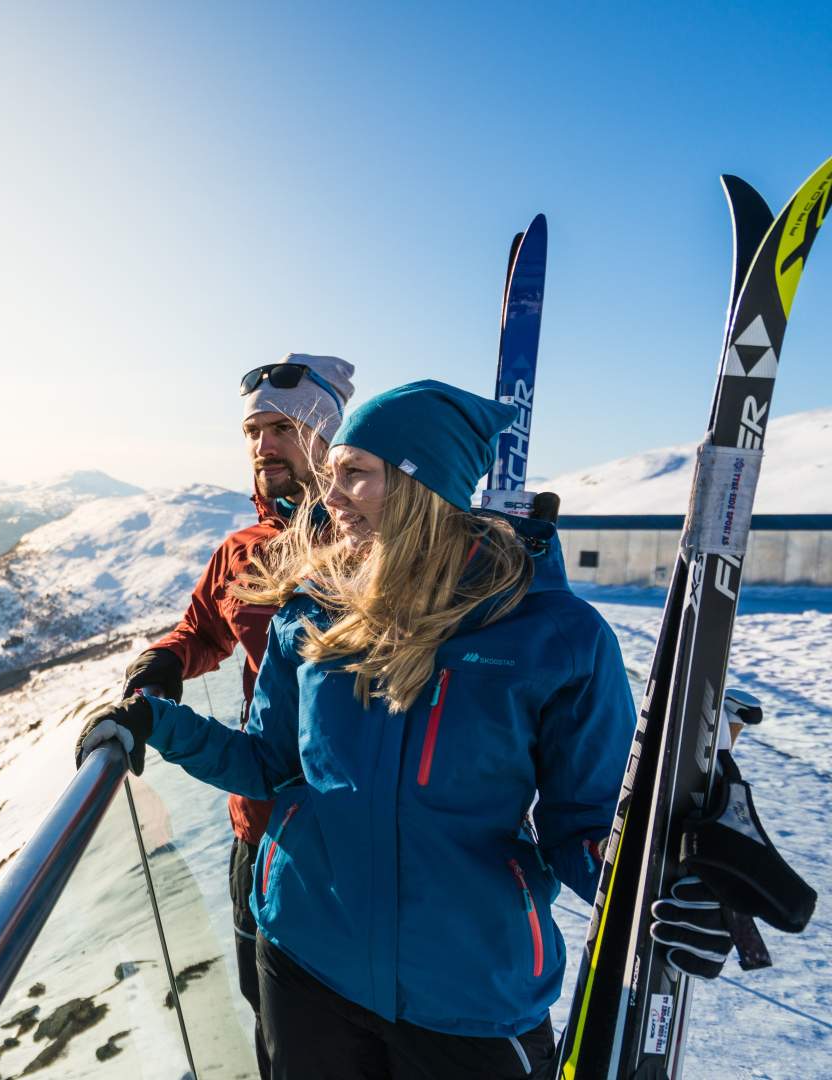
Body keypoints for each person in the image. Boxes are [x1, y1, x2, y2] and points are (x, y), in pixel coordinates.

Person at [79, 380, 634, 1079]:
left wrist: (665, 878)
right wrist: (156, 722)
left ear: (419, 487)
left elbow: (587, 826)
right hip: (306, 959)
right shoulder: (311, 611)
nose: (329, 497)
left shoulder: (553, 639)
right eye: (332, 474)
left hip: (465, 993)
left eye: (355, 475)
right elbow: (270, 765)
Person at [120, 352, 354, 1079]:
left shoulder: (374, 541)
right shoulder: (243, 551)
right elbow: (201, 632)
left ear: (327, 437)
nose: (262, 446)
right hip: (258, 829)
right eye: (253, 431)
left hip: (355, 843)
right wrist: (163, 664)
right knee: (276, 1028)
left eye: (282, 427)